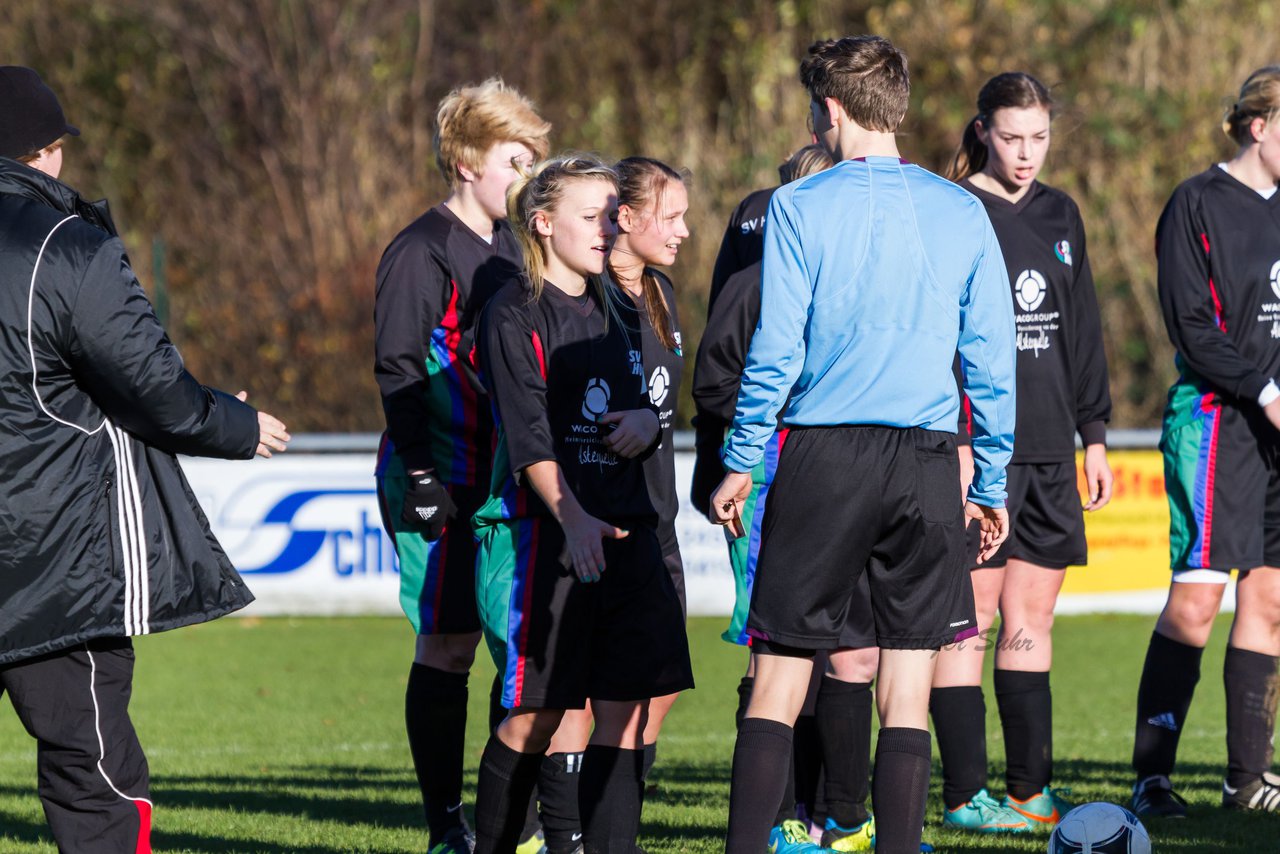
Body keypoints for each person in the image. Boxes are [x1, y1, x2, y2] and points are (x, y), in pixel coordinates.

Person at [708, 36, 1017, 854]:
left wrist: (740, 459)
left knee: (779, 678)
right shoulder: (963, 209)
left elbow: (775, 350)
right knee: (907, 690)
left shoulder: (800, 206)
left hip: (823, 456)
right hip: (923, 460)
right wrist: (990, 477)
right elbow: (990, 357)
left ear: (830, 111)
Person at [0, 65, 289, 852]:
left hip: (41, 549)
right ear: (48, 152)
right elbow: (153, 389)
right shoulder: (66, 245)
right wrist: (234, 423)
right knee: (91, 767)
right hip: (48, 559)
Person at [470, 154, 693, 854]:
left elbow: (651, 404)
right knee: (538, 717)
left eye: (612, 213)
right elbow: (530, 437)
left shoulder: (623, 304)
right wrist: (572, 516)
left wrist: (653, 424)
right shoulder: (513, 314)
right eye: (593, 215)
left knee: (625, 716)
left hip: (633, 539)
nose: (609, 228)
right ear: (542, 223)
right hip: (555, 546)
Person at [929, 71, 1114, 834]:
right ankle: (966, 793)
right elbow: (936, 332)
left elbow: (1083, 333)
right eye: (1011, 136)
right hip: (980, 453)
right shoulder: (954, 210)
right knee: (970, 612)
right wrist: (964, 440)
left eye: (1039, 137)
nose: (1027, 152)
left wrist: (1094, 435)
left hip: (1048, 453)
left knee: (1032, 615)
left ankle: (1029, 791)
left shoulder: (1061, 212)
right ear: (982, 131)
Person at [372, 78, 551, 853]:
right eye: (517, 159)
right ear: (470, 160)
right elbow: (398, 369)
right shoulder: (419, 250)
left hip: (506, 479)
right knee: (447, 645)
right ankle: (446, 825)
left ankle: (511, 823)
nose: (526, 174)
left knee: (517, 643)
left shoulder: (514, 248)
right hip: (439, 477)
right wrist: (419, 475)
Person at [693, 144, 887, 853]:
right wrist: (778, 424)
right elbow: (713, 386)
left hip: (849, 479)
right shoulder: (754, 287)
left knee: (850, 651)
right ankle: (778, 820)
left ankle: (843, 815)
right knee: (773, 652)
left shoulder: (862, 288)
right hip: (773, 480)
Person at [1130, 65, 1280, 818]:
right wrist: (1267, 392)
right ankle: (1152, 777)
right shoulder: (1196, 202)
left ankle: (1246, 780)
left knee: (1273, 599)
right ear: (1260, 126)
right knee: (1196, 602)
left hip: (1278, 430)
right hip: (1222, 421)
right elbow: (1192, 327)